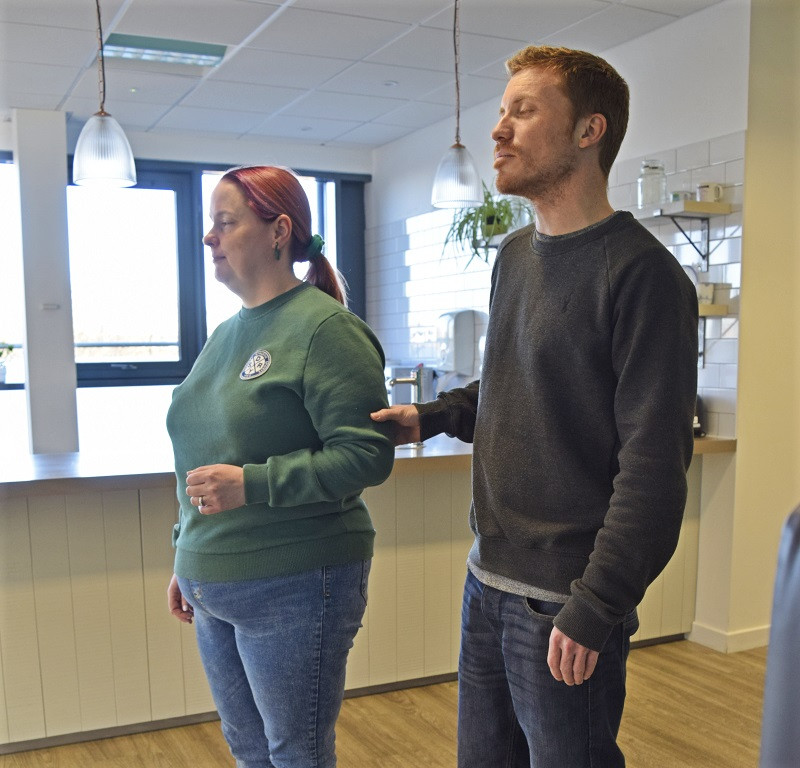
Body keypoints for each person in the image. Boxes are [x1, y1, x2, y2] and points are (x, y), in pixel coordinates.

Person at [372, 46, 698, 767]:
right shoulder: (515, 256)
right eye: (500, 111)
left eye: (523, 111)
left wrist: (595, 606)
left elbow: (654, 469)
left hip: (562, 601)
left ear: (589, 131)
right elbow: (512, 382)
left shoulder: (644, 276)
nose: (499, 129)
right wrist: (433, 417)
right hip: (486, 580)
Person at [166, 165, 394, 768]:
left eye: (225, 222)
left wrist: (254, 486)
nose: (209, 238)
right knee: (248, 752)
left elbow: (366, 454)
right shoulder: (224, 335)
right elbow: (195, 451)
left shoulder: (326, 329)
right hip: (210, 578)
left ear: (279, 231)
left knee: (295, 755)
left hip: (294, 582)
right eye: (208, 225)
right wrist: (186, 548)